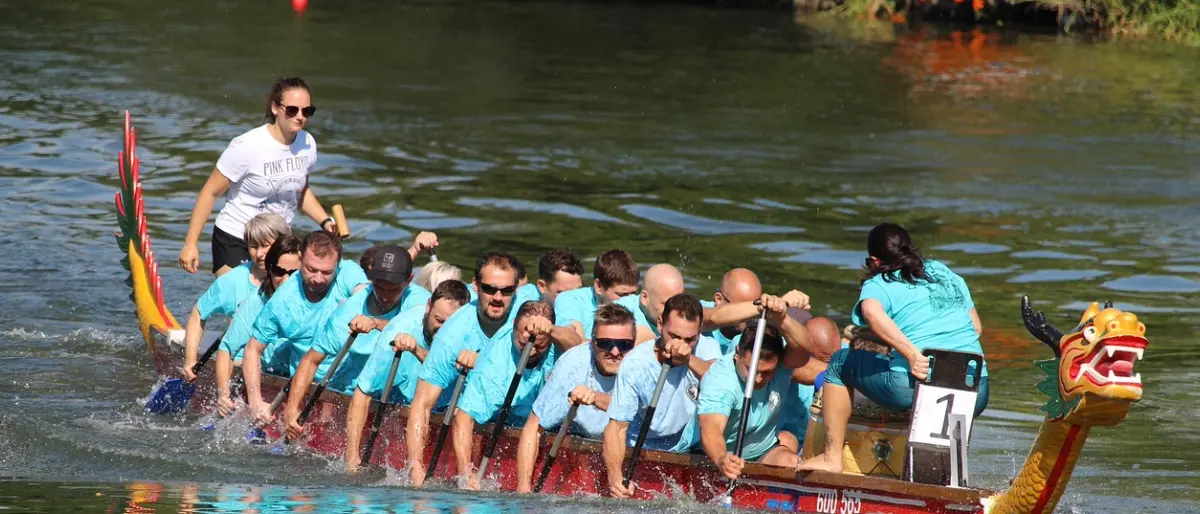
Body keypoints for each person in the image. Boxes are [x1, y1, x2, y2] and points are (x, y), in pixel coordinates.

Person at [799, 222, 989, 473]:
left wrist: (910, 353)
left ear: (875, 260)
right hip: (977, 388)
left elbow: (870, 311)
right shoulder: (943, 272)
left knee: (838, 363)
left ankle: (830, 458)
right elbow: (975, 328)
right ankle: (948, 474)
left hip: (910, 386)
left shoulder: (879, 282)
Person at [179, 77, 335, 277]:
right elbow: (210, 192)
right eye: (292, 110)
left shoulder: (307, 144)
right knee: (239, 302)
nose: (300, 117)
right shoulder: (247, 146)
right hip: (237, 238)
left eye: (307, 111)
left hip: (277, 242)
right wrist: (191, 244)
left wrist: (325, 222)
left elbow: (300, 190)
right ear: (275, 108)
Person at [403, 251, 527, 486]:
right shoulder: (453, 334)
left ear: (516, 290)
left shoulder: (528, 310)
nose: (498, 297)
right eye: (490, 289)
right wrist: (416, 466)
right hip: (471, 411)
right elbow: (423, 404)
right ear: (476, 286)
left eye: (507, 290)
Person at [284, 245, 430, 441]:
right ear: (370, 278)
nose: (385, 296)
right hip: (360, 391)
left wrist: (376, 323)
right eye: (379, 286)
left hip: (408, 390)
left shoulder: (422, 300)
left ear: (409, 280)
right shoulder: (349, 311)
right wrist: (292, 410)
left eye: (394, 289)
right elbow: (311, 360)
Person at [240, 231, 368, 423]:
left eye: (326, 272)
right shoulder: (283, 300)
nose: (318, 278)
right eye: (311, 269)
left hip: (355, 384)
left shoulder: (349, 272)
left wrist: (359, 309)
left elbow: (369, 296)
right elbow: (253, 349)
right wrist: (256, 401)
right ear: (300, 258)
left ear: (338, 265)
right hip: (308, 384)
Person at [602, 293, 720, 499]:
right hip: (643, 444)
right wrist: (614, 477)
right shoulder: (635, 363)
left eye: (690, 339)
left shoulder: (708, 348)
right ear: (659, 324)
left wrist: (688, 359)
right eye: (674, 336)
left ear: (699, 333)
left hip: (691, 445)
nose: (680, 345)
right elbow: (617, 427)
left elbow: (721, 384)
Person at [343, 280, 471, 470]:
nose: (444, 330)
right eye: (439, 320)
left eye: (451, 324)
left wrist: (418, 350)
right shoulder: (398, 331)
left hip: (449, 407)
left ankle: (465, 470)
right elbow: (363, 393)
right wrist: (352, 455)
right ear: (428, 307)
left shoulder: (471, 330)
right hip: (409, 404)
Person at [515, 303, 637, 493]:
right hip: (578, 434)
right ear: (593, 342)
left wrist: (596, 397)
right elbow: (533, 427)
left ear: (634, 343)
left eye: (624, 345)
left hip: (628, 443)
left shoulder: (642, 365)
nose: (615, 352)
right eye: (606, 343)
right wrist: (523, 489)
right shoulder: (572, 364)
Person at [688, 314, 813, 482]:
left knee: (792, 462)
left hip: (763, 451)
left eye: (767, 372)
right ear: (737, 354)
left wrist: (783, 318)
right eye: (751, 370)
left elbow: (804, 350)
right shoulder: (720, 381)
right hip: (711, 455)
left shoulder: (782, 365)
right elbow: (711, 427)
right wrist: (721, 458)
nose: (758, 379)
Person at [452, 301, 560, 490]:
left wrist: (552, 330)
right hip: (504, 415)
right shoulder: (494, 367)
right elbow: (464, 417)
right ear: (513, 329)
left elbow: (577, 340)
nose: (530, 348)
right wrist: (465, 473)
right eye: (523, 342)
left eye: (539, 344)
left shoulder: (557, 338)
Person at [181, 213, 291, 381]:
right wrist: (190, 361)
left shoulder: (299, 277)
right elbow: (199, 313)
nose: (260, 254)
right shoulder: (233, 281)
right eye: (254, 246)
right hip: (242, 365)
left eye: (266, 245)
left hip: (287, 364)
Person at [211, 235, 302, 416]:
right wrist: (223, 395)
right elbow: (228, 349)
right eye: (279, 271)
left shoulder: (318, 301)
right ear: (269, 270)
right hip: (268, 371)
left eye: (293, 273)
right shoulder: (256, 302)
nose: (286, 279)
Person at [554, 249, 640, 348]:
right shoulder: (569, 300)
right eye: (622, 295)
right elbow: (574, 344)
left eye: (633, 293)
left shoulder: (638, 302)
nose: (630, 301)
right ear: (599, 286)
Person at [614, 263, 685, 344]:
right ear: (645, 298)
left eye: (680, 303)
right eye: (667, 305)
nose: (676, 311)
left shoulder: (686, 309)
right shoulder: (619, 310)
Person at [701, 268, 763, 355]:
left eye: (755, 305)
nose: (748, 316)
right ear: (719, 299)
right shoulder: (700, 309)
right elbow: (708, 318)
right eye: (740, 307)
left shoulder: (762, 329)